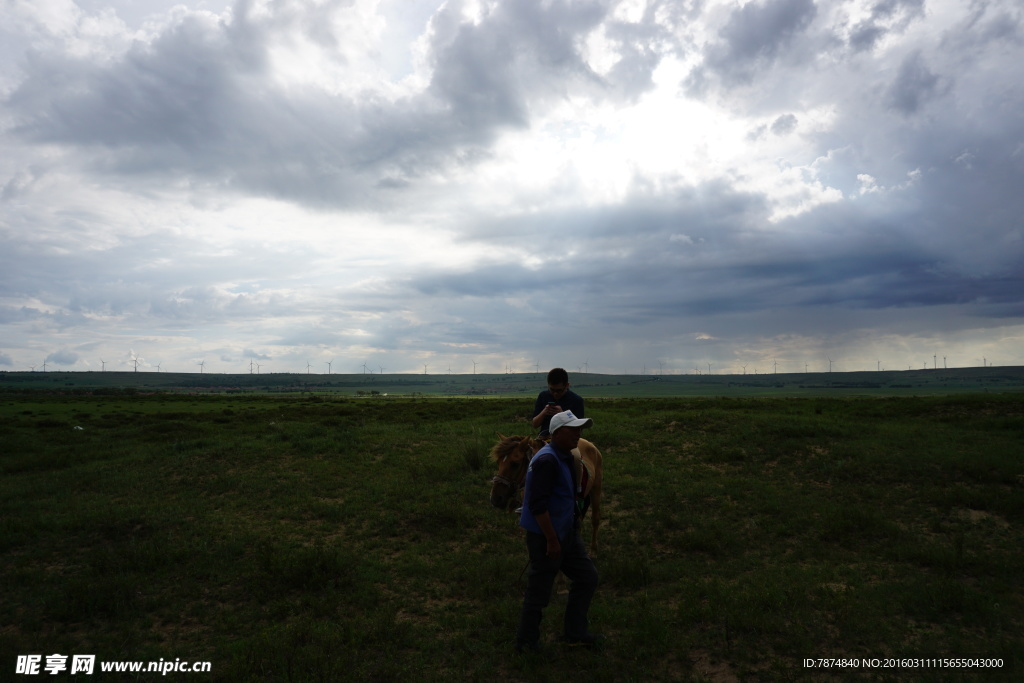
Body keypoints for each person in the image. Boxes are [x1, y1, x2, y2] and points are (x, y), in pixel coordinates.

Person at [516, 410, 601, 653]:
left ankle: (575, 632)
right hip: (547, 537)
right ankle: (526, 644)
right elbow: (537, 506)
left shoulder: (564, 456)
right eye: (573, 429)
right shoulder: (547, 461)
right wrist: (552, 541)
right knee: (539, 593)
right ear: (556, 433)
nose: (579, 434)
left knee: (587, 578)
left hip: (566, 534)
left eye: (580, 429)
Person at [531, 368, 585, 437]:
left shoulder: (577, 400)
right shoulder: (543, 396)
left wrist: (563, 415)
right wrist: (544, 412)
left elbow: (578, 429)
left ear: (567, 385)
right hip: (544, 438)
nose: (555, 393)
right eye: (552, 390)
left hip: (567, 441)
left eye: (559, 390)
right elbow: (535, 425)